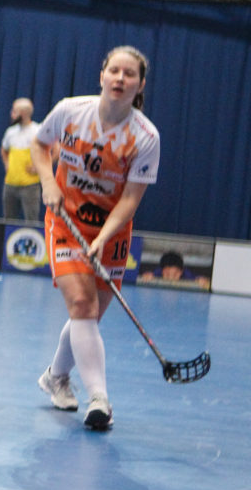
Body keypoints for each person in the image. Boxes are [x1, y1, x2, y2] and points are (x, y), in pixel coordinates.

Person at [32, 45, 159, 432]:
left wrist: (104, 236)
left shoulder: (145, 137)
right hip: (66, 218)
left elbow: (131, 199)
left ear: (139, 86)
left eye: (129, 74)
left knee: (89, 316)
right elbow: (40, 145)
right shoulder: (71, 111)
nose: (120, 79)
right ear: (102, 75)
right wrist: (48, 182)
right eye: (114, 71)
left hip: (112, 230)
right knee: (82, 305)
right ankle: (99, 399)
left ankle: (55, 376)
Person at [0, 96, 42, 221]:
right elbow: (3, 149)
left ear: (23, 113)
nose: (12, 114)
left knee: (31, 220)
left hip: (30, 186)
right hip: (10, 184)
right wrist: (6, 163)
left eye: (14, 111)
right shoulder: (10, 132)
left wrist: (38, 167)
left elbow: (54, 150)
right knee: (8, 221)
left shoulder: (37, 131)